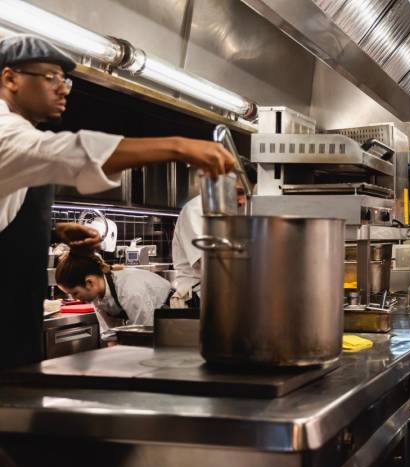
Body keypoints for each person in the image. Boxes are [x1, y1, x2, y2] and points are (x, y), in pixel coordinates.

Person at [0, 34, 237, 368]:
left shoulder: (21, 135)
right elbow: (74, 154)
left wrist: (52, 232)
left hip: (15, 322)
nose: (63, 88)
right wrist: (180, 146)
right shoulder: (5, 130)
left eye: (65, 80)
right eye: (50, 77)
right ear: (10, 79)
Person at [171, 169, 248, 308]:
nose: (243, 200)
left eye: (246, 194)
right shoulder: (196, 210)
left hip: (224, 293)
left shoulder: (234, 208)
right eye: (239, 192)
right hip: (196, 298)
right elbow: (209, 263)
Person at [55, 250, 172, 339]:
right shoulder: (97, 296)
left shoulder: (129, 290)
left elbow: (145, 336)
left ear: (89, 282)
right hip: (152, 330)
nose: (75, 299)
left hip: (173, 319)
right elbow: (111, 335)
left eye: (75, 293)